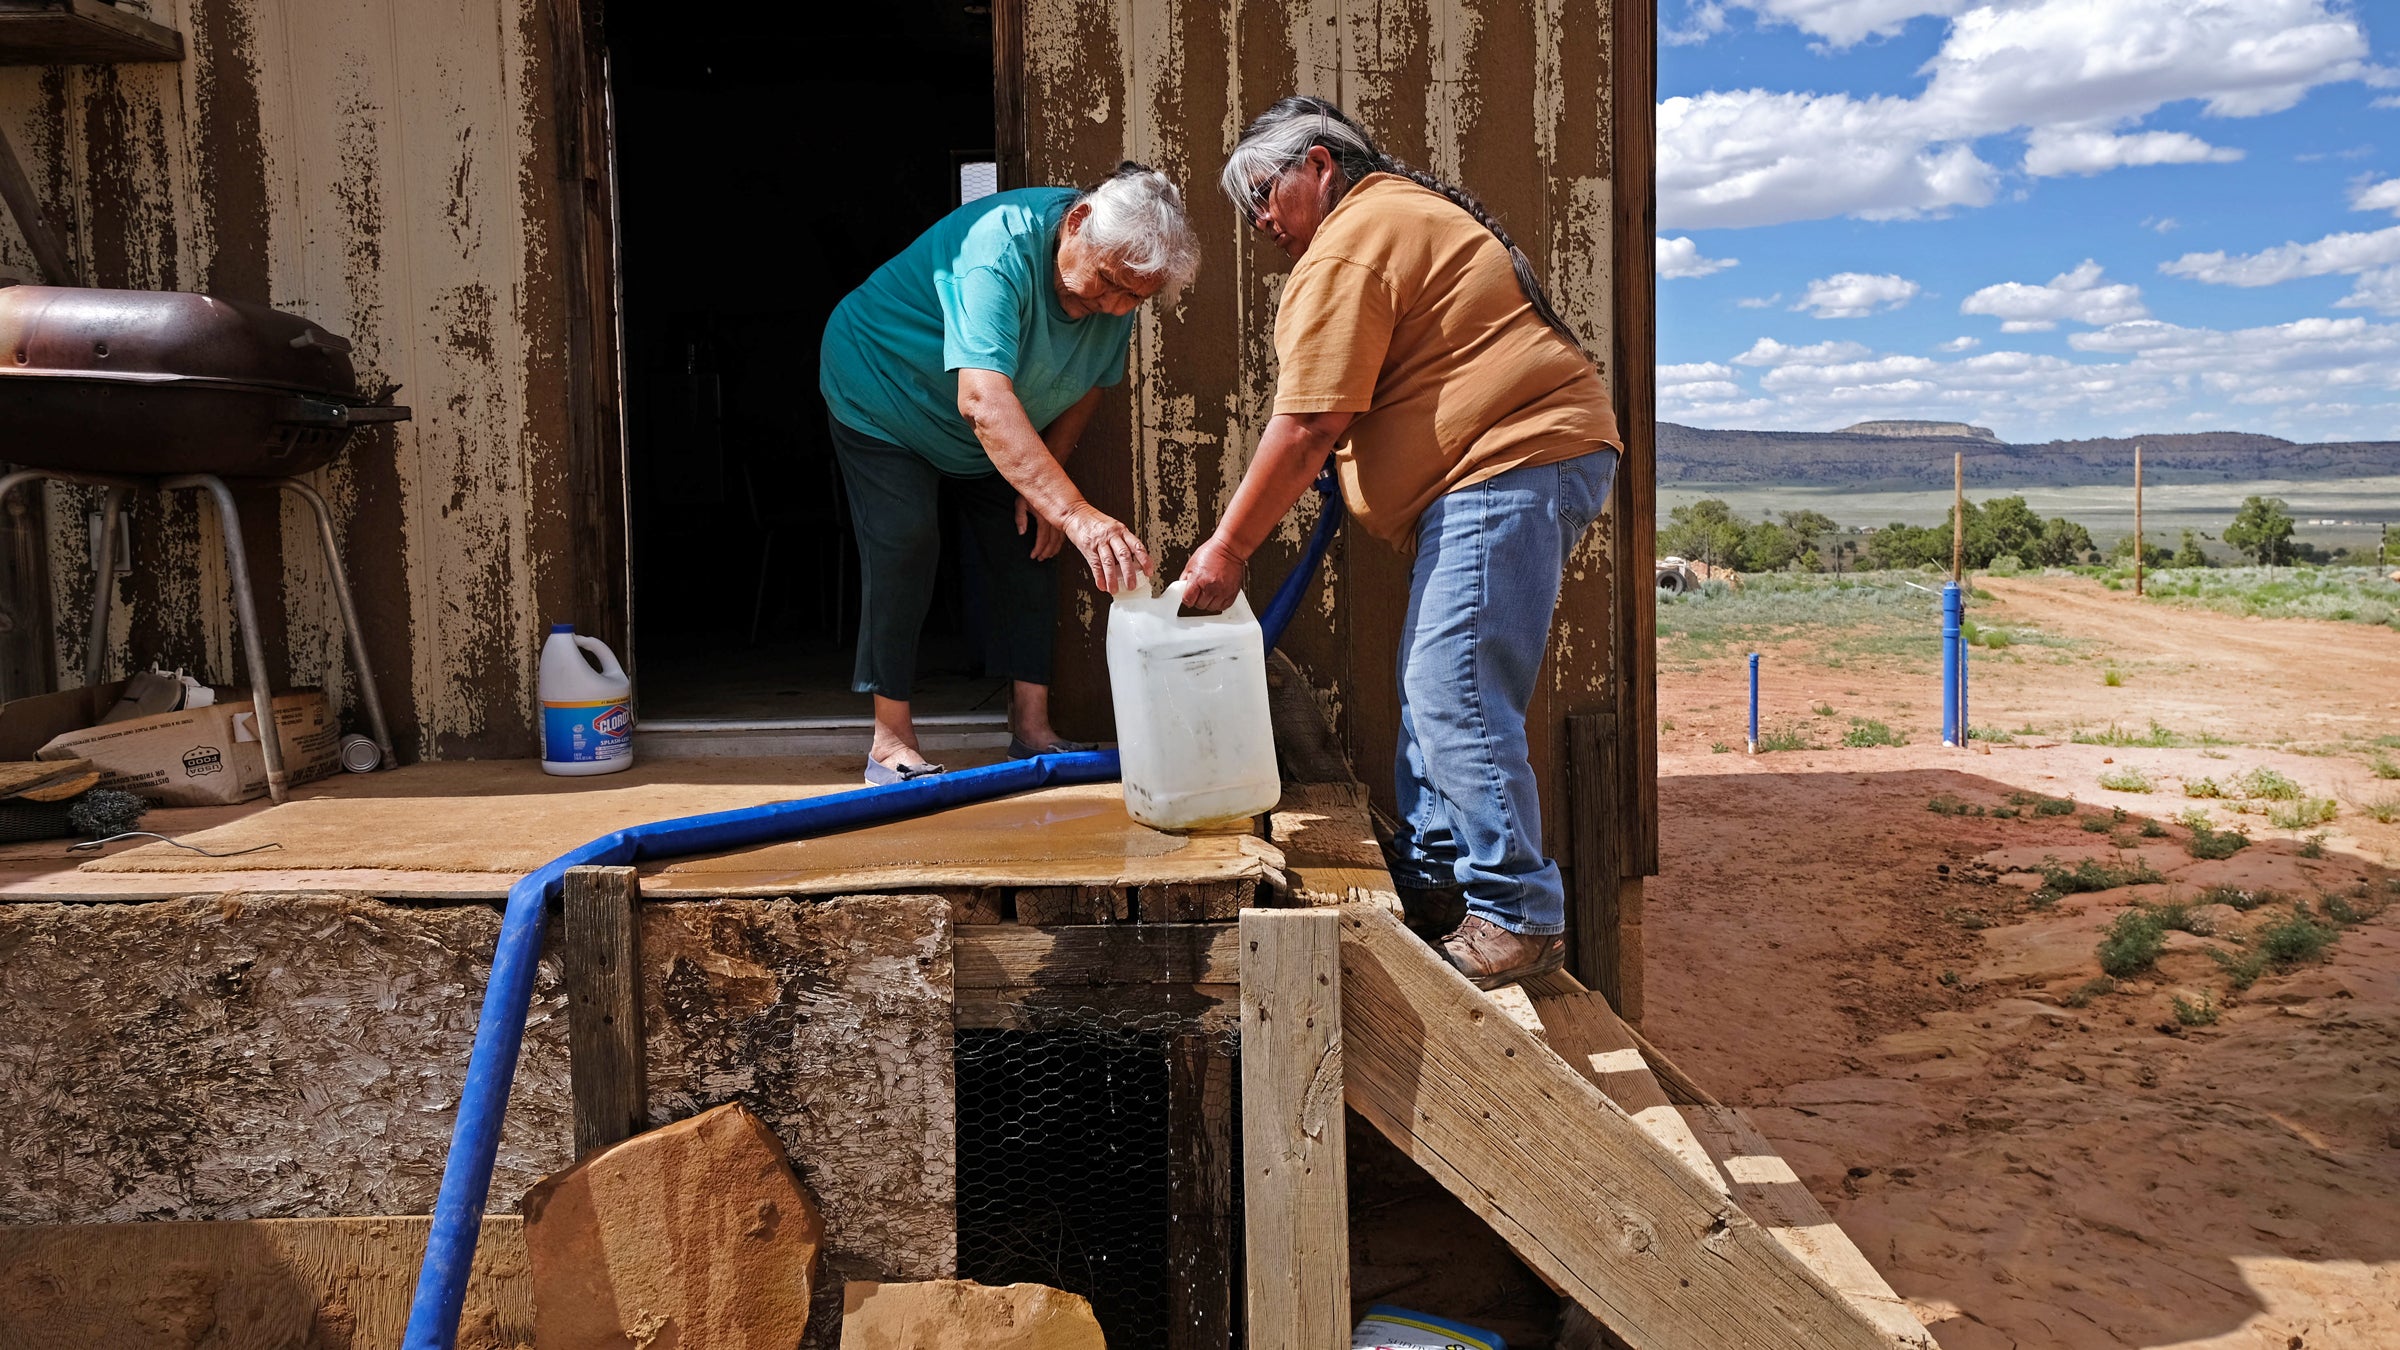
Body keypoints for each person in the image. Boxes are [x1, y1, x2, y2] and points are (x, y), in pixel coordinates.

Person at [1180, 97, 1622, 989]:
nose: (1259, 220)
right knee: (1434, 684)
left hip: (1506, 462)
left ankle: (1516, 912)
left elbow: (1308, 424)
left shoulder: (1350, 241)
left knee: (1453, 688)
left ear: (1319, 167)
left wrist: (1226, 549)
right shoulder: (1388, 223)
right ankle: (1433, 882)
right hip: (1505, 468)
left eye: (1263, 193)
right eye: (1247, 207)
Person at [820, 164, 1196, 784]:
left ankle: (1032, 728)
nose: (1114, 306)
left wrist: (1052, 489)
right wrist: (1075, 511)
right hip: (884, 391)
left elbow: (1091, 381)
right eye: (1107, 285)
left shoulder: (1122, 273)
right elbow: (982, 400)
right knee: (904, 538)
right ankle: (891, 740)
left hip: (987, 423)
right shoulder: (996, 252)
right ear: (1077, 222)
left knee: (1035, 539)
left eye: (1134, 298)